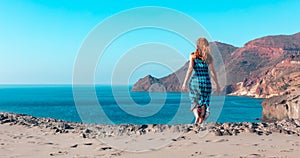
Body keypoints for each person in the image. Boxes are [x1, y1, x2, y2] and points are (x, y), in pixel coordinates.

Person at [182, 37, 221, 124]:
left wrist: (185, 83)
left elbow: (190, 69)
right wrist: (217, 84)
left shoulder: (193, 55)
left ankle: (197, 116)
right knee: (204, 101)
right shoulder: (209, 58)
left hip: (195, 81)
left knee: (194, 100)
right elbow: (212, 72)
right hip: (206, 82)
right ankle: (202, 117)